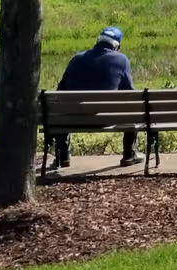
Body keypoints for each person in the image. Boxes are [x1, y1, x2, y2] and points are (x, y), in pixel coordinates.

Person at [51, 25, 142, 168]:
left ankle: (63, 157)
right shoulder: (122, 60)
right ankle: (129, 155)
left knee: (61, 109)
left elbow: (60, 91)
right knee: (132, 109)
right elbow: (129, 94)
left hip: (73, 119)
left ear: (98, 41)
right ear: (117, 46)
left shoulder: (76, 59)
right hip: (105, 119)